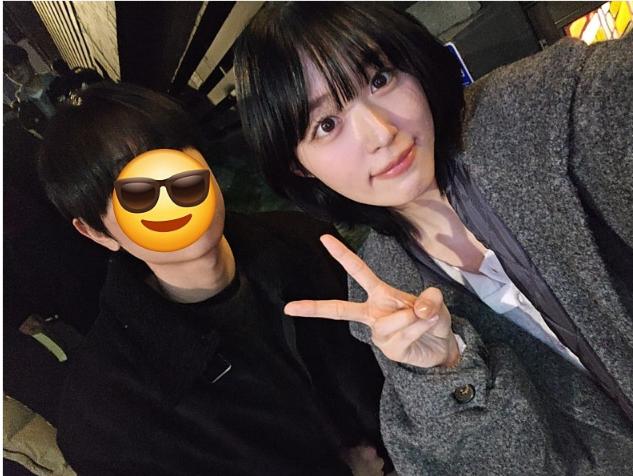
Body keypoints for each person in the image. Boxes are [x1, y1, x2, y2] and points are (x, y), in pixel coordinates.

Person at [234, 3, 633, 474]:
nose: (380, 133)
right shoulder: (382, 293)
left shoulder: (539, 113)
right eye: (327, 125)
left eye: (379, 79)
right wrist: (449, 369)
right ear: (299, 166)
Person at [37, 82, 393, 475]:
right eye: (137, 193)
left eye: (175, 166)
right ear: (95, 232)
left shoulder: (305, 239)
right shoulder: (106, 415)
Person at [4, 44, 57, 137]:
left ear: (26, 61)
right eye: (7, 70)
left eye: (16, 64)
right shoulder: (23, 110)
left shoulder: (56, 80)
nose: (14, 72)